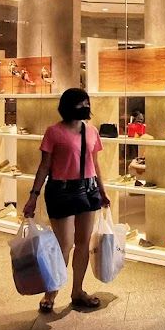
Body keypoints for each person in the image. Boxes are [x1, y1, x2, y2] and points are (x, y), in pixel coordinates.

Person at [23, 88, 110, 313]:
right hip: (61, 191)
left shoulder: (91, 132)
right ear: (67, 106)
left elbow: (95, 164)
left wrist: (102, 191)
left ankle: (77, 291)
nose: (85, 107)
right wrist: (33, 196)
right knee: (64, 245)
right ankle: (51, 293)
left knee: (83, 243)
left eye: (86, 103)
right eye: (80, 104)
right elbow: (44, 166)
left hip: (88, 189)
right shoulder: (53, 132)